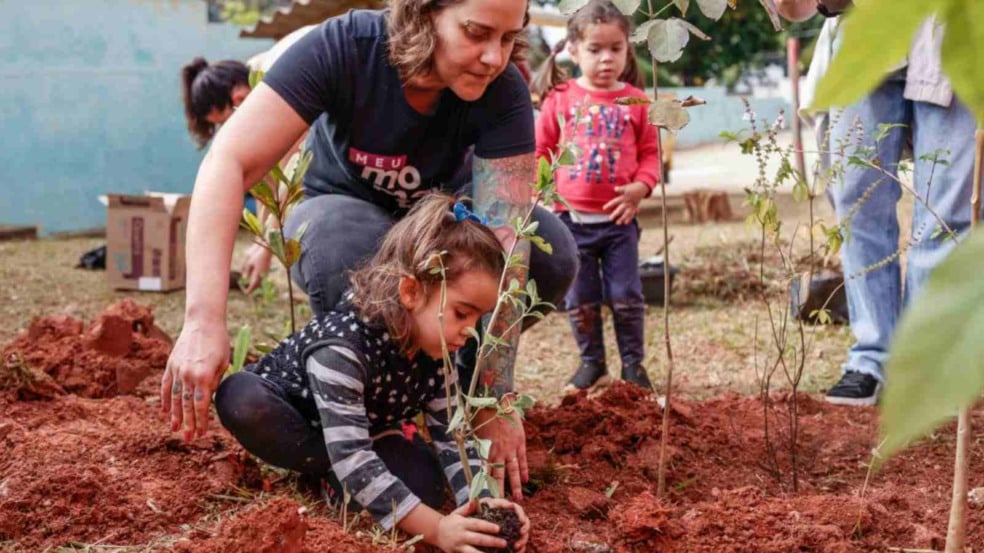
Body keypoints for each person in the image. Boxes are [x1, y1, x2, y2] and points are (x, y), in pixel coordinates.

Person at [162, 0, 579, 503]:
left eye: (509, 38)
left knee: (549, 251)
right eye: (476, 33)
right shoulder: (345, 47)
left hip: (444, 220)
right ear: (424, 14)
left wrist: (494, 395)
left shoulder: (503, 90)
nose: (494, 57)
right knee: (348, 252)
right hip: (343, 210)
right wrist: (204, 318)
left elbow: (507, 245)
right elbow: (227, 160)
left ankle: (449, 397)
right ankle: (367, 410)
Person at [215, 194, 531, 552]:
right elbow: (351, 453)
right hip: (298, 421)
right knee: (242, 399)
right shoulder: (342, 349)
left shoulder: (437, 354)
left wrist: (486, 509)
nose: (471, 331)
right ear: (411, 291)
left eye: (479, 319)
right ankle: (331, 471)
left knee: (423, 484)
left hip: (362, 436)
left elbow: (453, 439)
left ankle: (341, 481)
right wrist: (438, 529)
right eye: (462, 313)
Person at [778, 0, 977, 406]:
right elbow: (792, 8)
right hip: (867, 29)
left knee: (945, 211)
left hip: (953, 24)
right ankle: (871, 357)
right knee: (855, 197)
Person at [531, 0, 659, 394]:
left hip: (619, 224)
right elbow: (541, 152)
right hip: (570, 224)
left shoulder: (637, 100)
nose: (606, 59)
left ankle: (634, 368)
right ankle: (592, 364)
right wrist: (541, 192)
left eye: (615, 49)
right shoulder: (560, 98)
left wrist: (641, 187)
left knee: (625, 295)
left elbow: (651, 155)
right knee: (580, 298)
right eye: (595, 49)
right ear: (573, 50)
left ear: (627, 50)